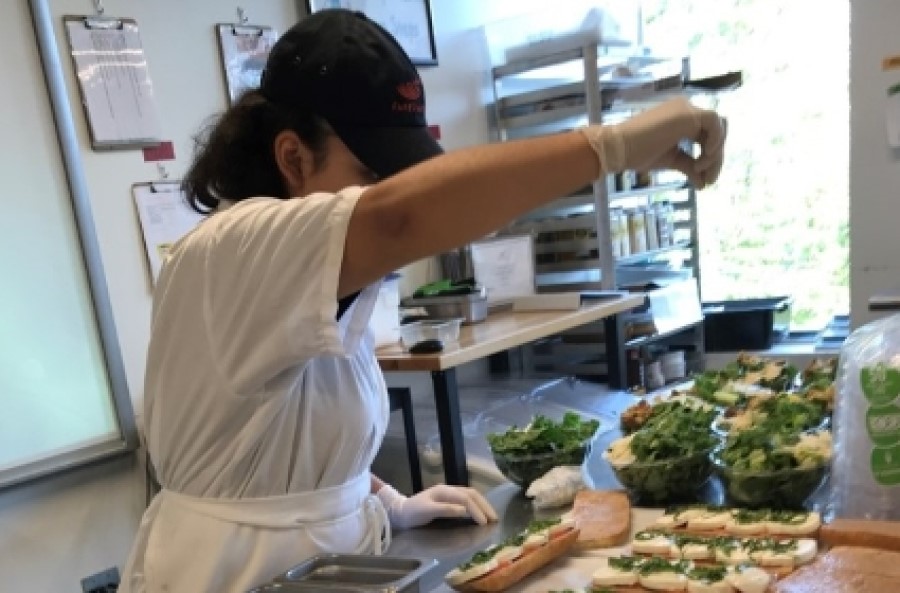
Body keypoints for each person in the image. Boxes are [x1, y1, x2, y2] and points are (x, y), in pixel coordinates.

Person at [120, 8, 727, 593]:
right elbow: (399, 219)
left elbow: (285, 439)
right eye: (373, 177)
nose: (390, 194)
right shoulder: (231, 252)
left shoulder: (317, 282)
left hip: (328, 568)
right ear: (292, 158)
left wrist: (386, 499)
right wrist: (612, 148)